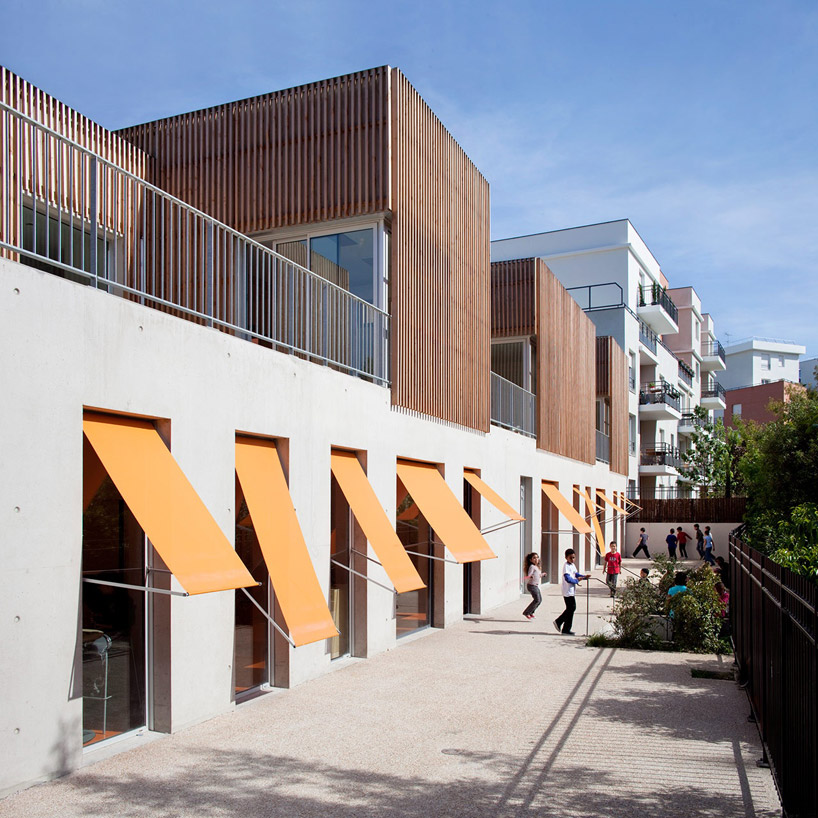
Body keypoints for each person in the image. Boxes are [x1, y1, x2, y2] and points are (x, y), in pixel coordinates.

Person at [553, 549, 590, 635]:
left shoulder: (572, 565)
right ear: (566, 557)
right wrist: (577, 580)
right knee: (571, 608)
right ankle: (559, 622)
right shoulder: (566, 566)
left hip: (571, 590)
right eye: (571, 558)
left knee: (571, 608)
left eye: (574, 557)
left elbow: (576, 574)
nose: (572, 559)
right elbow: (568, 579)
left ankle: (565, 628)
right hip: (567, 590)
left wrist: (584, 577)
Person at [522, 553, 543, 619]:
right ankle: (526, 612)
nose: (536, 559)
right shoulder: (532, 566)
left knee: (539, 600)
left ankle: (531, 612)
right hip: (532, 586)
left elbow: (538, 575)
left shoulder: (537, 567)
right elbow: (529, 575)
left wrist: (542, 575)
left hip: (535, 586)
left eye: (537, 557)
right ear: (530, 560)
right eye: (534, 558)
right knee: (537, 600)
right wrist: (531, 576)